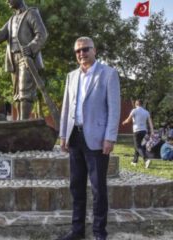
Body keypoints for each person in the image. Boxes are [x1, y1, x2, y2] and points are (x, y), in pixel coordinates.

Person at [59, 37, 121, 240]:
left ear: (94, 50)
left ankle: (99, 232)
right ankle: (77, 231)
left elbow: (114, 109)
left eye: (85, 49)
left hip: (97, 138)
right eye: (77, 51)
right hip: (74, 137)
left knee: (98, 188)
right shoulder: (71, 76)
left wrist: (110, 137)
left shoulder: (108, 74)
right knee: (76, 187)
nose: (81, 53)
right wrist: (63, 134)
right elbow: (66, 108)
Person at [122, 99, 154, 168]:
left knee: (138, 146)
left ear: (136, 104)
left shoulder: (134, 110)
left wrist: (124, 122)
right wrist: (152, 132)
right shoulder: (146, 112)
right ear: (142, 104)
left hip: (137, 131)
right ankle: (134, 161)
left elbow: (128, 120)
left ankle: (146, 160)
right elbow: (150, 123)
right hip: (144, 131)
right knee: (138, 146)